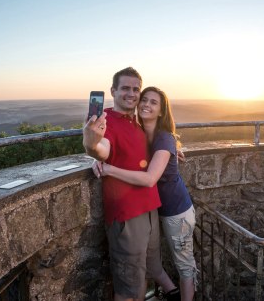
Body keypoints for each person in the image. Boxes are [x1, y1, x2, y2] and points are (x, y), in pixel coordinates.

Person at [82, 68, 180, 301]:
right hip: (127, 216)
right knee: (129, 288)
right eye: (125, 88)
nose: (132, 94)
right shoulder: (107, 121)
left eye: (136, 89)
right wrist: (91, 144)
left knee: (147, 269)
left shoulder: (135, 121)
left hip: (149, 209)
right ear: (113, 91)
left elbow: (154, 143)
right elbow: (102, 149)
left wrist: (174, 149)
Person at [93, 86, 197, 301]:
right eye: (145, 100)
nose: (146, 105)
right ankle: (172, 292)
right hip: (156, 208)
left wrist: (109, 169)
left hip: (177, 211)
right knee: (152, 262)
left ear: (161, 111)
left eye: (154, 103)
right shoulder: (141, 132)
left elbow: (150, 179)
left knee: (184, 264)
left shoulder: (164, 138)